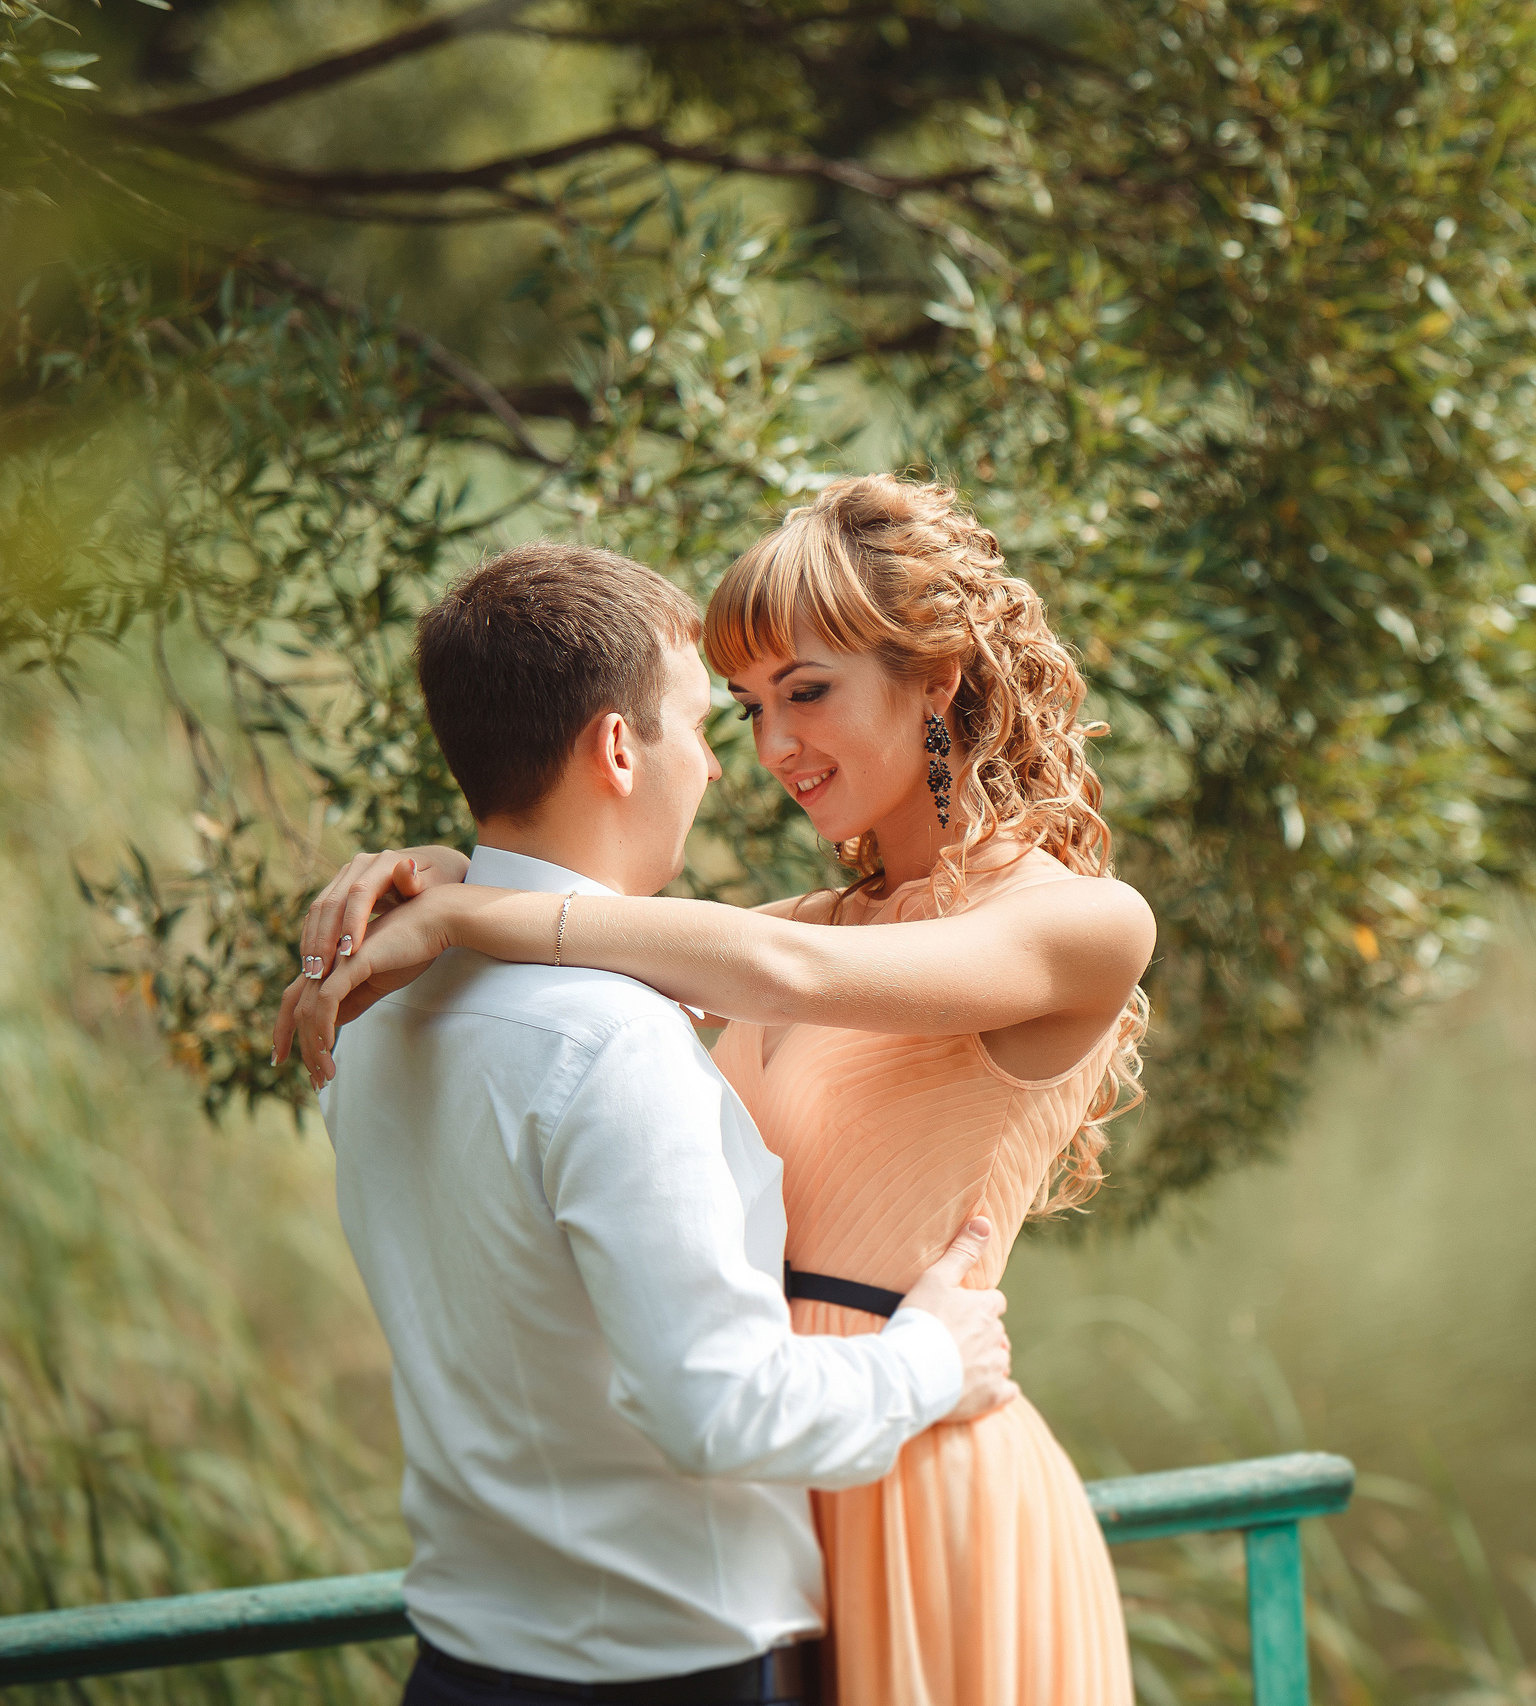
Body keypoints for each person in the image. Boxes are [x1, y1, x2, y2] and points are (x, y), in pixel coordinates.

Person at [278, 476, 1156, 1706]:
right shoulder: (803, 926)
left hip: (919, 1474)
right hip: (778, 1483)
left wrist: (471, 900)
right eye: (745, 706)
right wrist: (447, 875)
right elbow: (639, 929)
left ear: (936, 677)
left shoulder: (1081, 923)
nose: (770, 748)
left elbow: (770, 966)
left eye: (807, 692)